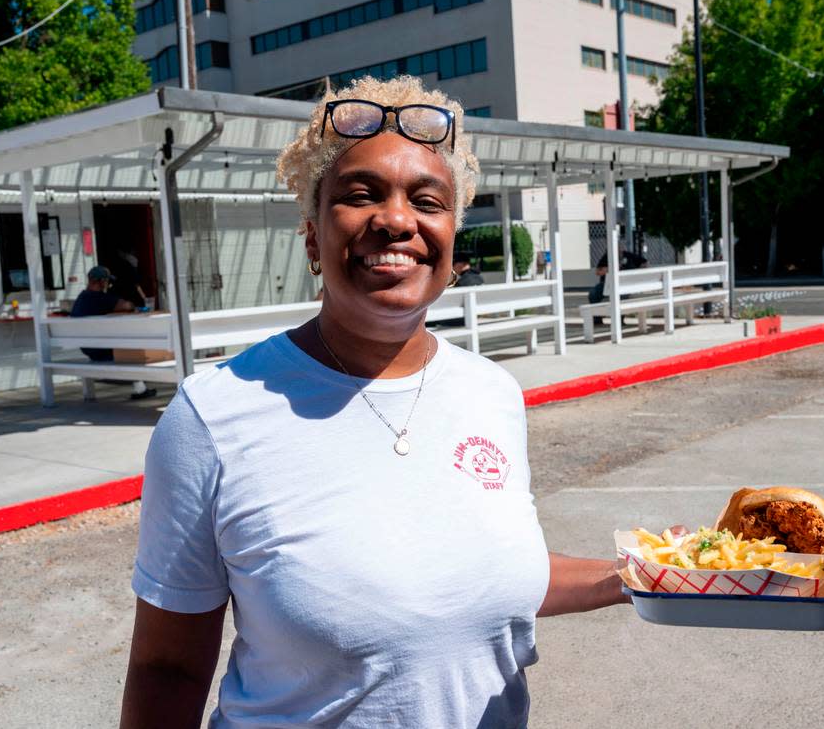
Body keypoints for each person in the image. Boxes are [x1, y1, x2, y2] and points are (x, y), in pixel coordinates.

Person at [120, 76, 627, 729]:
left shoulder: (491, 394)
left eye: (427, 199)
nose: (394, 220)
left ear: (450, 245)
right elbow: (168, 669)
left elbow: (477, 576)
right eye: (360, 195)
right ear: (312, 238)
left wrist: (633, 575)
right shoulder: (214, 417)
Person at [70, 266, 156, 400]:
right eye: (107, 281)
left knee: (125, 345)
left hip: (88, 348)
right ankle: (140, 389)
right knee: (131, 348)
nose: (108, 284)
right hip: (102, 350)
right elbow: (127, 305)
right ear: (100, 281)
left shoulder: (82, 298)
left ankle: (141, 388)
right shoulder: (100, 299)